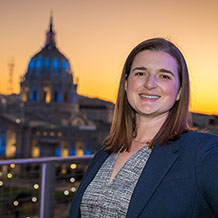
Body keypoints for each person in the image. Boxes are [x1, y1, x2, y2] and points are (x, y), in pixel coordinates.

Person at [69, 38, 218, 218]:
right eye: (140, 73)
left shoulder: (203, 152)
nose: (150, 83)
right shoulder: (105, 152)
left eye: (164, 76)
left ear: (179, 91)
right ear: (126, 83)